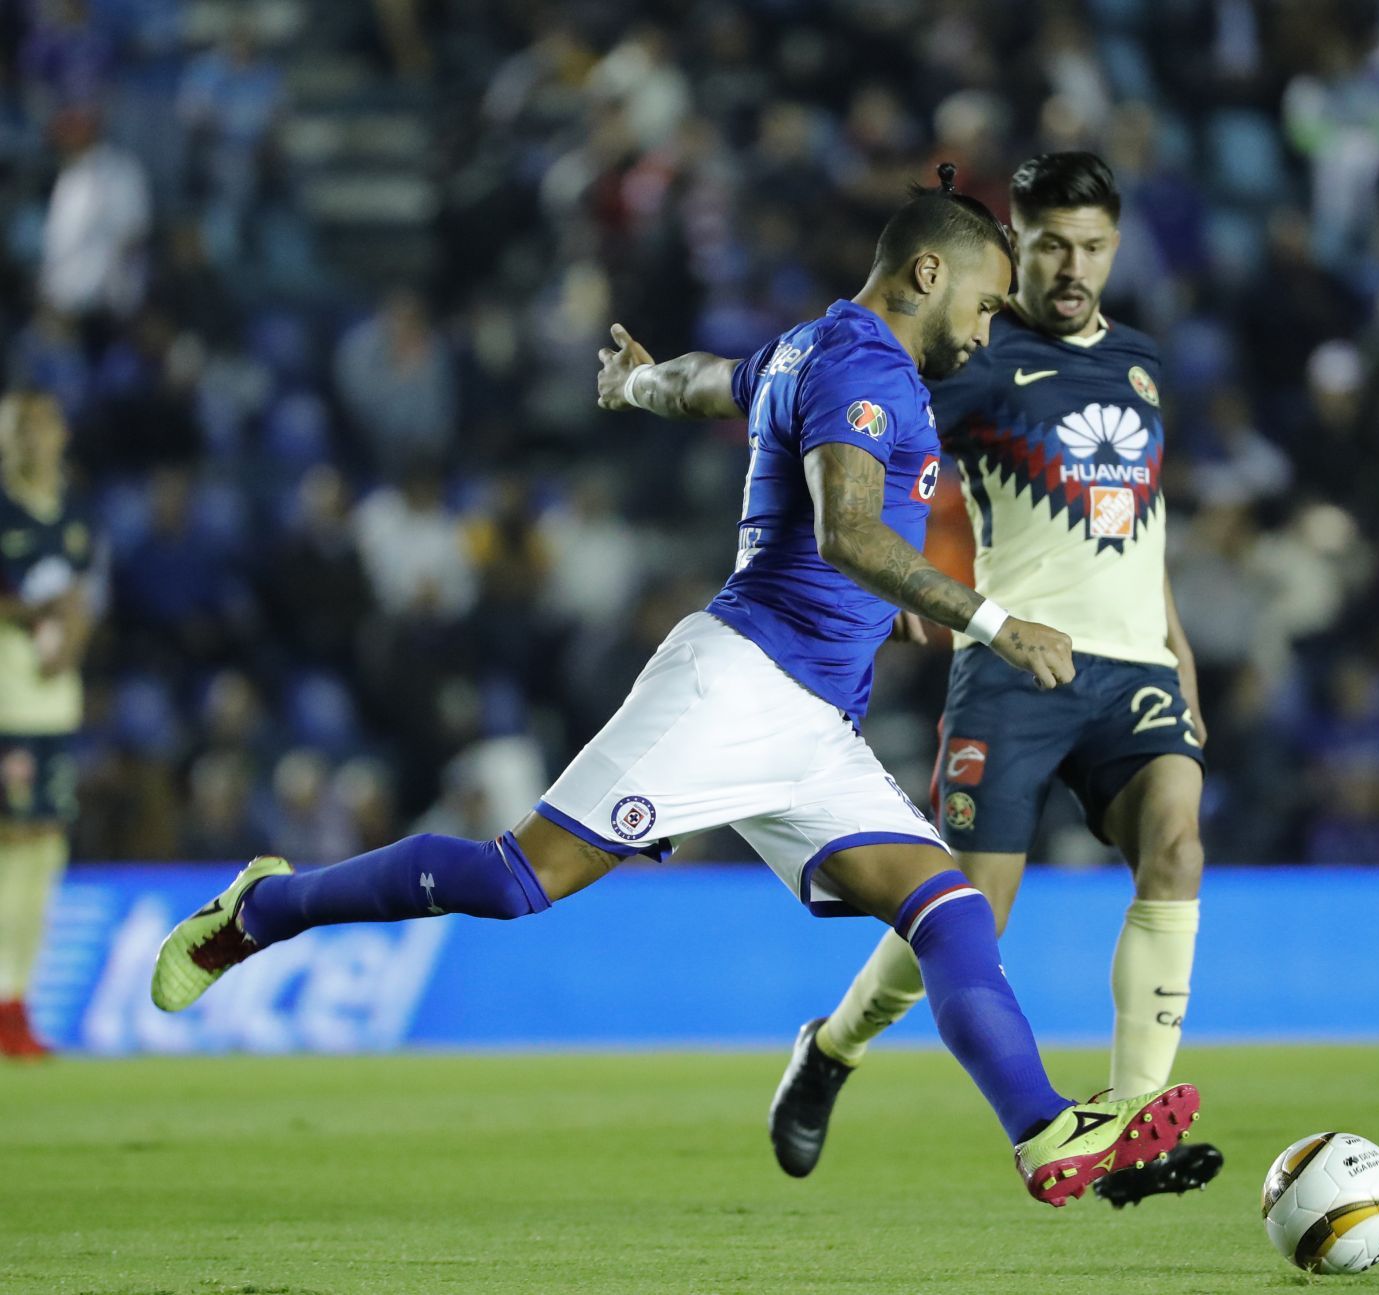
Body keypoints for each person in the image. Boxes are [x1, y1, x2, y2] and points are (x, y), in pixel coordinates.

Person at [149, 168, 1200, 1207]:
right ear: (929, 270)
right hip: (736, 686)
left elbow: (711, 381)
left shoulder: (813, 347)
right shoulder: (863, 365)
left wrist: (638, 384)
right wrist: (991, 618)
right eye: (980, 301)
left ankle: (1042, 1130)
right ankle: (262, 908)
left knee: (952, 912)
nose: (984, 329)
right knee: (517, 878)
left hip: (813, 727)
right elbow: (848, 533)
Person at [770, 153, 1219, 1206]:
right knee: (969, 914)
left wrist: (1181, 652)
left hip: (1136, 665)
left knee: (1179, 841)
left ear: (1116, 247)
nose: (1073, 267)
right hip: (1014, 665)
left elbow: (1138, 526)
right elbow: (867, 435)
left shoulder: (1146, 363)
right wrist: (914, 581)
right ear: (1015, 246)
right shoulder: (972, 351)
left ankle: (1129, 1116)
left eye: (1093, 246)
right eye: (1051, 244)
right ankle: (832, 1047)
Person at [0, 390, 99, 1058]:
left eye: (50, 425)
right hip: (6, 698)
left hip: (54, 702)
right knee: (11, 844)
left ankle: (18, 1001)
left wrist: (72, 642)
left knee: (46, 848)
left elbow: (85, 598)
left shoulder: (73, 513)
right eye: (27, 427)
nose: (41, 438)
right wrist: (32, 616)